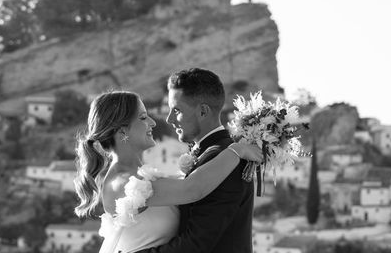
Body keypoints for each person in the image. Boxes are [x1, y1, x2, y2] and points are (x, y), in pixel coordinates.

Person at [74, 76, 261, 253]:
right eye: (142, 118)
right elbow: (192, 189)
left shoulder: (141, 176)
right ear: (123, 131)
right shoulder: (123, 182)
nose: (153, 122)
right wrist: (236, 150)